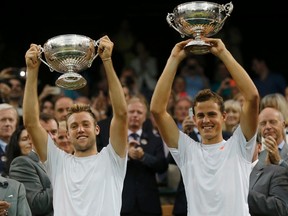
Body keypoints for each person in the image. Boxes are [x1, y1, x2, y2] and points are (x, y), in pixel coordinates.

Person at [150, 37, 259, 216]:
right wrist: (174, 59)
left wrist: (223, 54)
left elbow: (252, 97)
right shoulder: (186, 150)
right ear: (194, 118)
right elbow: (157, 110)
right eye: (200, 115)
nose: (206, 120)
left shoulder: (239, 144)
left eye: (211, 114)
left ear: (223, 117)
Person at [23, 35, 128, 215]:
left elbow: (121, 114)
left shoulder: (112, 158)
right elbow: (31, 123)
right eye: (74, 126)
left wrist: (107, 61)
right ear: (68, 133)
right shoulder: (58, 162)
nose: (80, 129)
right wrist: (32, 71)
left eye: (85, 124)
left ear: (96, 129)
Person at [120, 95, 168, 216]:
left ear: (145, 116)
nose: (135, 115)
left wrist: (143, 157)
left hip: (149, 204)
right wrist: (127, 154)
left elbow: (162, 165)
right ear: (126, 113)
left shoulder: (155, 140)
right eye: (131, 111)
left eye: (139, 112)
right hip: (123, 203)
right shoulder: (116, 139)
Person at [7, 126, 53, 216]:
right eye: (25, 139)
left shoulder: (48, 163)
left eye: (33, 137)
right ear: (16, 145)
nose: (31, 142)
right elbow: (37, 204)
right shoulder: (20, 163)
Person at [248, 133, 288, 216]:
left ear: (259, 147)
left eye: (247, 142)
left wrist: (243, 193)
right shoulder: (226, 174)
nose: (242, 146)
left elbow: (280, 208)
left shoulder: (275, 172)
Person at [0, 103, 19, 175]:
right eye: (3, 120)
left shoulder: (23, 147)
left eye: (11, 120)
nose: (7, 124)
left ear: (16, 124)